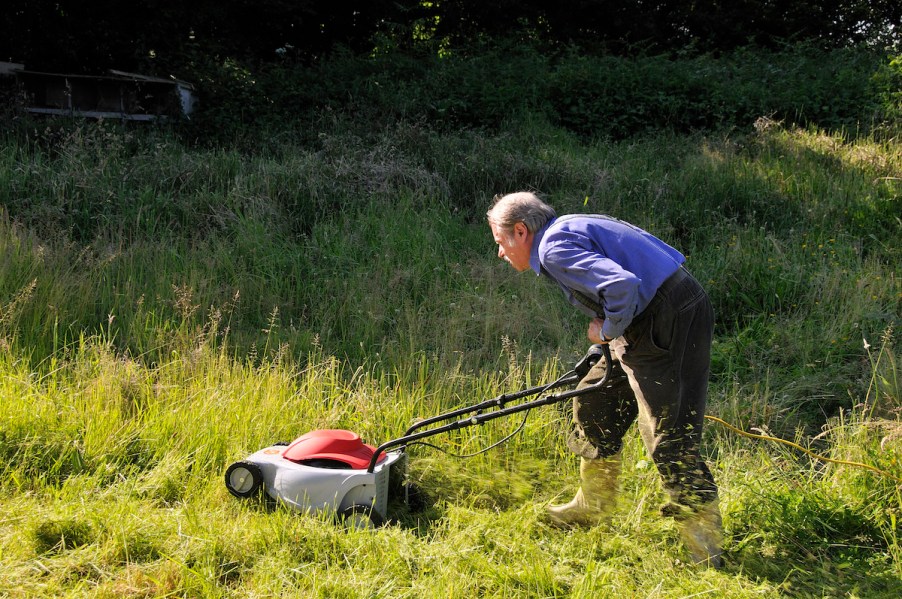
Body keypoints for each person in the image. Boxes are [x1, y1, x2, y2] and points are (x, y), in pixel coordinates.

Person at [487, 191, 722, 567]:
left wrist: (607, 330)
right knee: (595, 398)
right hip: (652, 313)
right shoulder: (567, 228)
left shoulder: (553, 249)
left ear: (520, 231)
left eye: (500, 242)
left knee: (668, 435)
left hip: (665, 319)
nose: (500, 252)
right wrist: (615, 333)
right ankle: (592, 506)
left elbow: (622, 285)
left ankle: (704, 548)